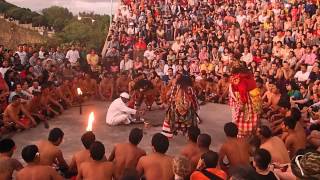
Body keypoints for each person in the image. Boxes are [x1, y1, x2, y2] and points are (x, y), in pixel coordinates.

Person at [229, 67, 261, 137]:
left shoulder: (240, 78)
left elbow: (242, 91)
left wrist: (242, 103)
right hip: (254, 99)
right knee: (254, 117)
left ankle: (242, 134)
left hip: (246, 100)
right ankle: (253, 132)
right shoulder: (250, 77)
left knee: (244, 118)